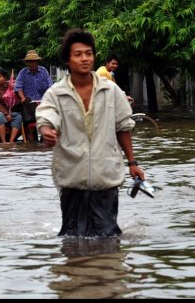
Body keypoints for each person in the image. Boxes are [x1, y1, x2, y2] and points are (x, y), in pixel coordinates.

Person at [36, 28, 145, 237]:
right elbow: (46, 115)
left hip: (105, 176)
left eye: (88, 53)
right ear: (67, 60)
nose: (84, 59)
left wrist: (133, 163)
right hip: (71, 178)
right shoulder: (56, 93)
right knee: (71, 238)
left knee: (108, 236)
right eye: (78, 54)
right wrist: (46, 129)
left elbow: (123, 126)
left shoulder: (111, 90)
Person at [14, 50, 53, 140]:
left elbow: (49, 86)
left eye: (33, 62)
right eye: (29, 62)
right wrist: (23, 98)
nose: (31, 64)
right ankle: (31, 145)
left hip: (42, 102)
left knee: (48, 123)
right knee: (30, 127)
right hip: (28, 102)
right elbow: (18, 87)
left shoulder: (43, 71)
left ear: (37, 62)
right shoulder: (22, 73)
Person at [0, 68, 23, 143]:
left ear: (4, 78)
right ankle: (3, 141)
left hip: (8, 111)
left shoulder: (8, 86)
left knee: (18, 117)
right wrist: (6, 114)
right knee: (0, 116)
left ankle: (11, 140)